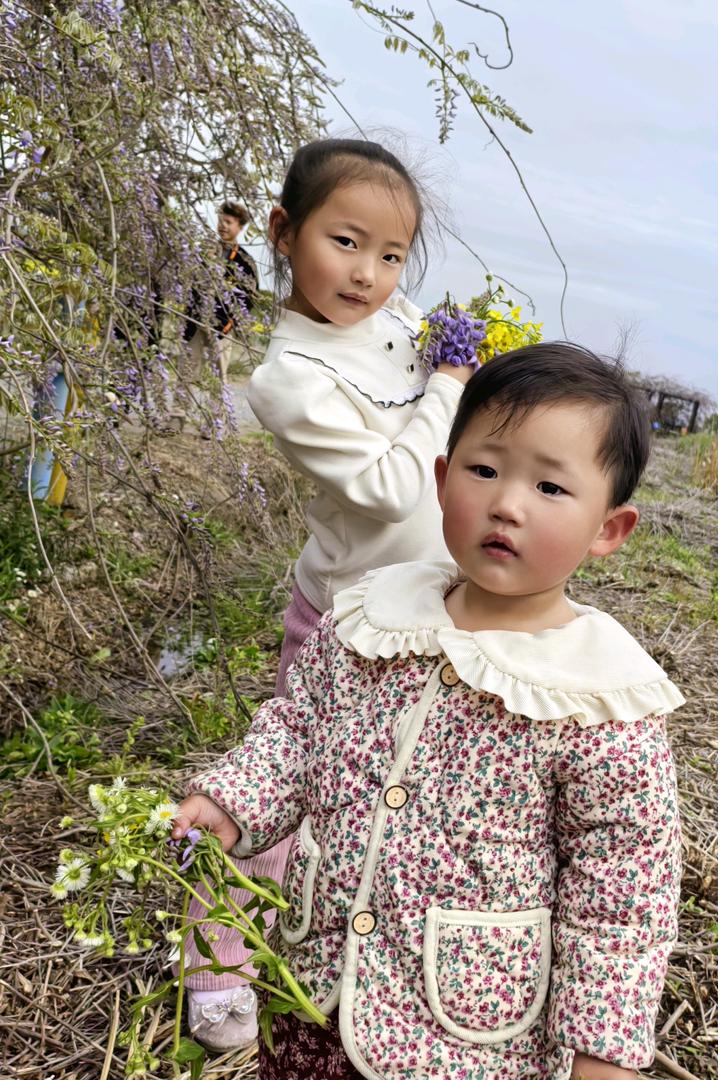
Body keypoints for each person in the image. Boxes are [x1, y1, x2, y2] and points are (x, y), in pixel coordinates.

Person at [172, 343, 684, 1079]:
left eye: (549, 486)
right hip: (318, 989)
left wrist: (602, 1052)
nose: (506, 502)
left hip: (465, 1043)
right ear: (442, 482)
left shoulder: (599, 696)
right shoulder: (374, 615)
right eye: (484, 470)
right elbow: (297, 726)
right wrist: (232, 800)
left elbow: (622, 899)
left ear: (610, 528)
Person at [178, 139, 474, 1051]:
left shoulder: (401, 321)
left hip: (424, 611)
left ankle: (332, 954)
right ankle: (213, 971)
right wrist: (452, 383)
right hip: (343, 621)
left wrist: (471, 364)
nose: (370, 274)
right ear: (282, 231)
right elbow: (390, 485)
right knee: (278, 799)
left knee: (377, 799)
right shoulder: (289, 376)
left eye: (391, 255)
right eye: (347, 243)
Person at [182, 201, 260, 383]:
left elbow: (248, 298)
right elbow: (188, 281)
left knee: (218, 379)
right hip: (195, 322)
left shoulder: (243, 260)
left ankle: (220, 412)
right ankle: (178, 411)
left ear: (240, 227)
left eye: (228, 222)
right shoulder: (204, 250)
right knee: (186, 370)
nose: (222, 226)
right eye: (220, 221)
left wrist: (230, 323)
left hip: (222, 328)